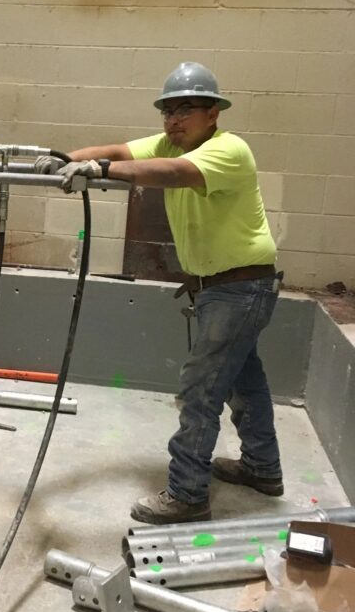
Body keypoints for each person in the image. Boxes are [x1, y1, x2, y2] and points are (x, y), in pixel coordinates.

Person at [36, 62, 283, 525]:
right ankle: (262, 469)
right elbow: (116, 149)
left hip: (239, 287)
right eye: (167, 110)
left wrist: (102, 168)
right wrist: (67, 158)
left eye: (185, 108)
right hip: (225, 288)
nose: (173, 119)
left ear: (213, 112)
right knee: (242, 380)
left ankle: (188, 494)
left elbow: (169, 172)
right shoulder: (172, 140)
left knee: (200, 390)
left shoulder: (228, 149)